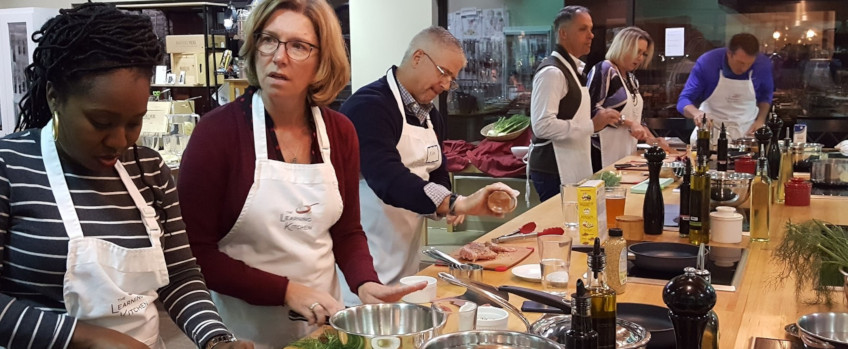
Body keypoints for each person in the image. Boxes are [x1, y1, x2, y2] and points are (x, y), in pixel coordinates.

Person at [0, 3, 251, 349]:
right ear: (54, 97)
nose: (119, 141)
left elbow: (179, 276)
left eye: (135, 122)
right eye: (101, 123)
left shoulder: (149, 171)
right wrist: (88, 338)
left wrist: (215, 338)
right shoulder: (9, 166)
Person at [177, 1, 423, 347]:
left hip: (321, 330)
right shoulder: (216, 134)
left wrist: (365, 282)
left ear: (323, 61)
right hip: (241, 334)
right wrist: (286, 290)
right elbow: (193, 254)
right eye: (269, 40)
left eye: (298, 46)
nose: (279, 57)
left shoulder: (339, 132)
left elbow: (347, 230)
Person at [339, 26, 518, 305]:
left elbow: (437, 168)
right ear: (418, 57)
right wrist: (455, 203)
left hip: (405, 262)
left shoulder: (431, 115)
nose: (446, 85)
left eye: (452, 79)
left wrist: (447, 200)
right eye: (443, 72)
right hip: (359, 271)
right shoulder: (368, 107)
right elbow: (388, 178)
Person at [527, 6, 617, 202]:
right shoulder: (552, 72)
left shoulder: (574, 70)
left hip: (572, 164)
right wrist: (592, 125)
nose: (591, 35)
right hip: (554, 169)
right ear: (563, 33)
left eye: (591, 29)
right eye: (583, 29)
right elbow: (542, 126)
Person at [587, 26, 669, 171]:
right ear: (623, 47)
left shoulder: (631, 79)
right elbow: (591, 110)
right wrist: (628, 123)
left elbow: (638, 120)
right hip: (601, 153)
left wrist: (654, 141)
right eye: (637, 52)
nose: (640, 58)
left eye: (643, 54)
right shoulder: (605, 69)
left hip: (625, 152)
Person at [677, 33, 774, 144]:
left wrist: (760, 120)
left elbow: (766, 96)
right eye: (740, 62)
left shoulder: (763, 64)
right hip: (711, 133)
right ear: (729, 54)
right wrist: (696, 113)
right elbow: (683, 100)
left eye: (749, 64)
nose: (744, 68)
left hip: (746, 135)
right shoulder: (708, 62)